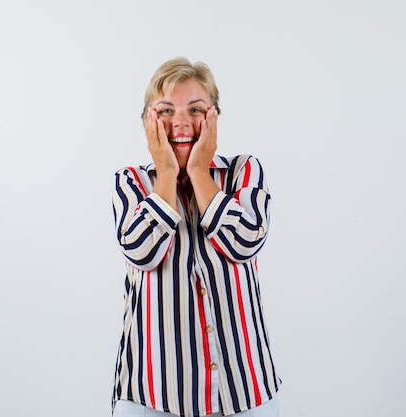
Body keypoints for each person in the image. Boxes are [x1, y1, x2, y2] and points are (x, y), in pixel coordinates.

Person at [111, 57, 281, 417]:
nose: (182, 121)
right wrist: (168, 173)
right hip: (154, 395)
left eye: (195, 108)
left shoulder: (243, 171)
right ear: (148, 121)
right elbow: (141, 251)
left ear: (213, 116)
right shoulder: (131, 182)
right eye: (166, 110)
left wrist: (200, 171)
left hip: (244, 393)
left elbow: (245, 242)